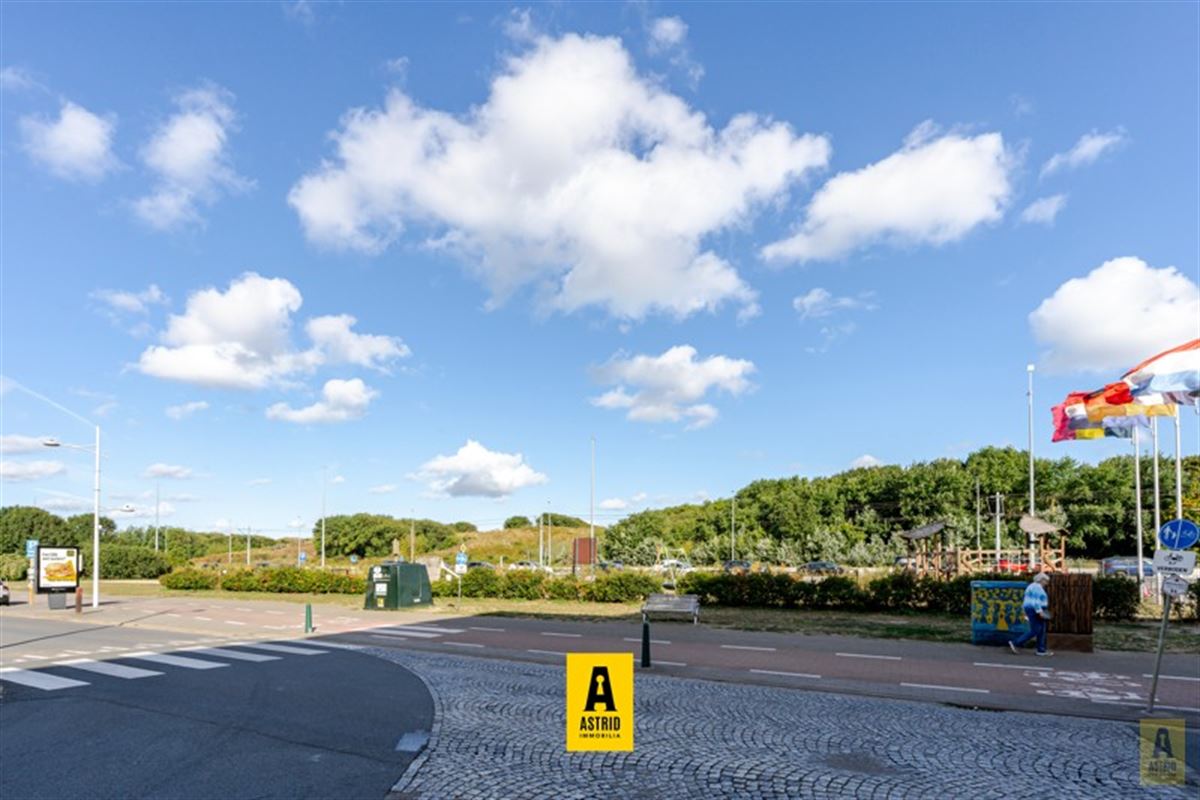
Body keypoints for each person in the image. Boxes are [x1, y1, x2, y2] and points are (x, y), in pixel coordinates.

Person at [1009, 572, 1052, 656]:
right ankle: (1016, 642)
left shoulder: (1031, 586)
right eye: (1046, 581)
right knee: (1036, 630)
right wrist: (1039, 611)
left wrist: (1025, 611)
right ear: (1041, 580)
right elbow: (1036, 601)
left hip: (1030, 609)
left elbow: (1026, 600)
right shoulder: (1037, 587)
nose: (1047, 583)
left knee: (1041, 630)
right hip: (1035, 609)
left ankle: (1041, 649)